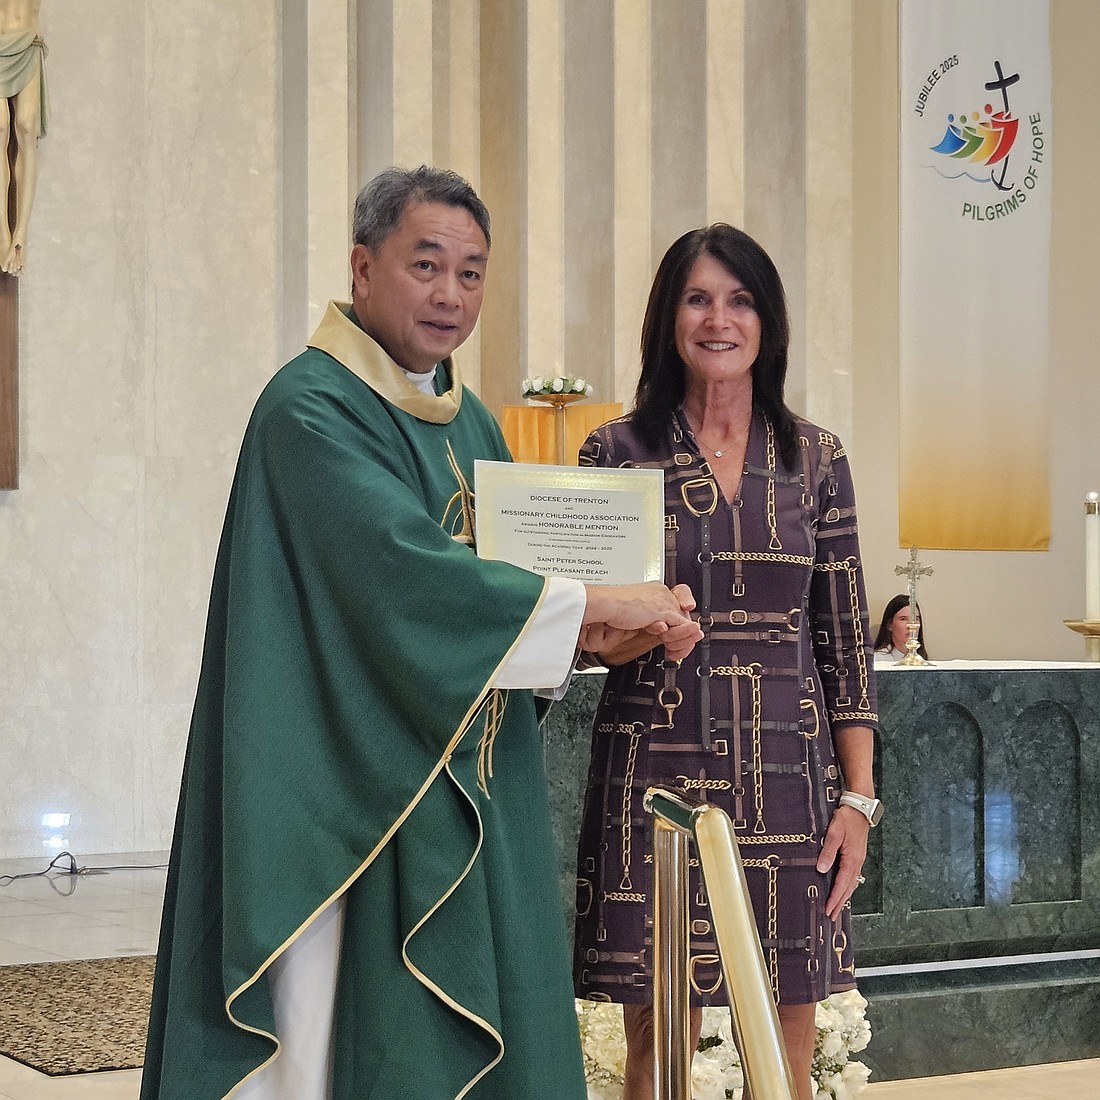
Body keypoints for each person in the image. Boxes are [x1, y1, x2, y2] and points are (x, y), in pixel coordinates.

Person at [141, 165, 703, 1100]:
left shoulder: (469, 417)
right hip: (340, 794)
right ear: (363, 268)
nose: (451, 295)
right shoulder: (308, 411)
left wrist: (589, 640)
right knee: (330, 1043)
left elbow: (509, 593)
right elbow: (408, 578)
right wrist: (596, 603)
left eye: (473, 273)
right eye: (427, 264)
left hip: (461, 783)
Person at [572, 224, 880, 1100]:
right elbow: (591, 638)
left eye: (740, 299)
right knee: (658, 1038)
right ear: (669, 316)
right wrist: (647, 625)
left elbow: (845, 644)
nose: (719, 318)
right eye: (698, 298)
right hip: (655, 761)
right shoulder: (616, 453)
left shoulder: (816, 460)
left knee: (786, 1025)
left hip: (789, 765)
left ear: (767, 321)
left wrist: (857, 799)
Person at [0, 0, 47, 275]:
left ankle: (20, 235)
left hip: (28, 44)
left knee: (27, 126)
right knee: (1, 126)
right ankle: (3, 234)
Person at [873, 593, 929, 662]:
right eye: (903, 619)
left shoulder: (921, 659)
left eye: (916, 619)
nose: (911, 625)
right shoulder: (878, 660)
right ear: (890, 624)